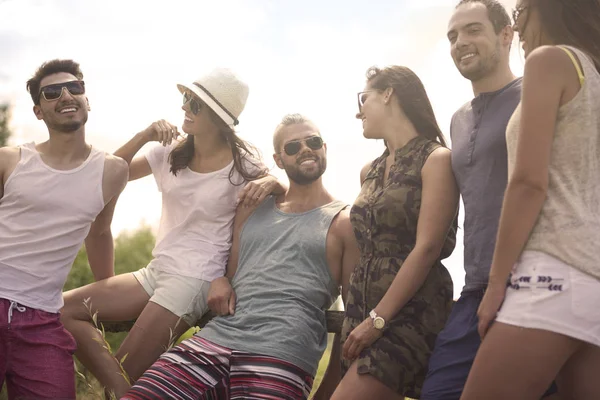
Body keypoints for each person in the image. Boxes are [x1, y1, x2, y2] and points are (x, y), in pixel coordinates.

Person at [61, 68, 285, 397]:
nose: (184, 108)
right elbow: (105, 174)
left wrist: (273, 181)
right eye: (185, 99)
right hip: (157, 270)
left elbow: (289, 196)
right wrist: (144, 135)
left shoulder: (244, 164)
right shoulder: (170, 153)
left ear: (218, 117)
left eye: (194, 103)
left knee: (121, 370)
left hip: (194, 278)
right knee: (62, 311)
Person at [121, 113, 359, 400]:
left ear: (324, 147)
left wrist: (326, 395)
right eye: (293, 147)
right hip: (215, 341)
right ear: (279, 159)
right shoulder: (252, 206)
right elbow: (227, 269)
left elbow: (353, 316)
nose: (306, 149)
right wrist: (220, 278)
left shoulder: (345, 222)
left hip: (281, 356)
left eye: (313, 141)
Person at [462, 0, 600, 398]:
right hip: (591, 281)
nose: (517, 23)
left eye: (521, 10)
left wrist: (495, 285)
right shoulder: (593, 75)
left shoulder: (549, 61)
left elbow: (527, 183)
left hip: (550, 274)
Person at [419, 1, 530, 398]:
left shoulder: (535, 95)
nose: (460, 43)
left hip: (532, 285)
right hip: (474, 291)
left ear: (506, 35)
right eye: (452, 36)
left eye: (472, 30)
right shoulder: (458, 119)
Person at [0, 59, 128, 400]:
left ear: (87, 99)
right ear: (39, 111)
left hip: (43, 319)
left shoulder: (112, 171)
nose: (66, 95)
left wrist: (107, 296)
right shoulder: (9, 160)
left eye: (75, 88)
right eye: (52, 92)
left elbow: (99, 232)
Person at [331, 65, 459, 400]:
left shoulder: (435, 159)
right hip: (359, 315)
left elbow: (427, 248)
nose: (358, 111)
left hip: (408, 314)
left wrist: (377, 322)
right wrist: (359, 317)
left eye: (365, 98)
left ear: (389, 94)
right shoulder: (368, 171)